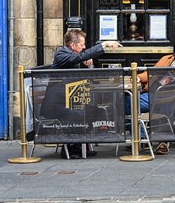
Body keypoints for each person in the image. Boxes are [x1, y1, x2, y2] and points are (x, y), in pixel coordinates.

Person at [42, 29, 122, 159]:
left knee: (95, 111)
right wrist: (104, 44)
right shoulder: (61, 54)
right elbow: (77, 58)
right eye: (82, 44)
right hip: (56, 105)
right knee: (78, 114)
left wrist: (88, 64)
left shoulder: (73, 57)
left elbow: (81, 72)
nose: (84, 47)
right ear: (73, 46)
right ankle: (68, 147)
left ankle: (82, 145)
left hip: (70, 101)